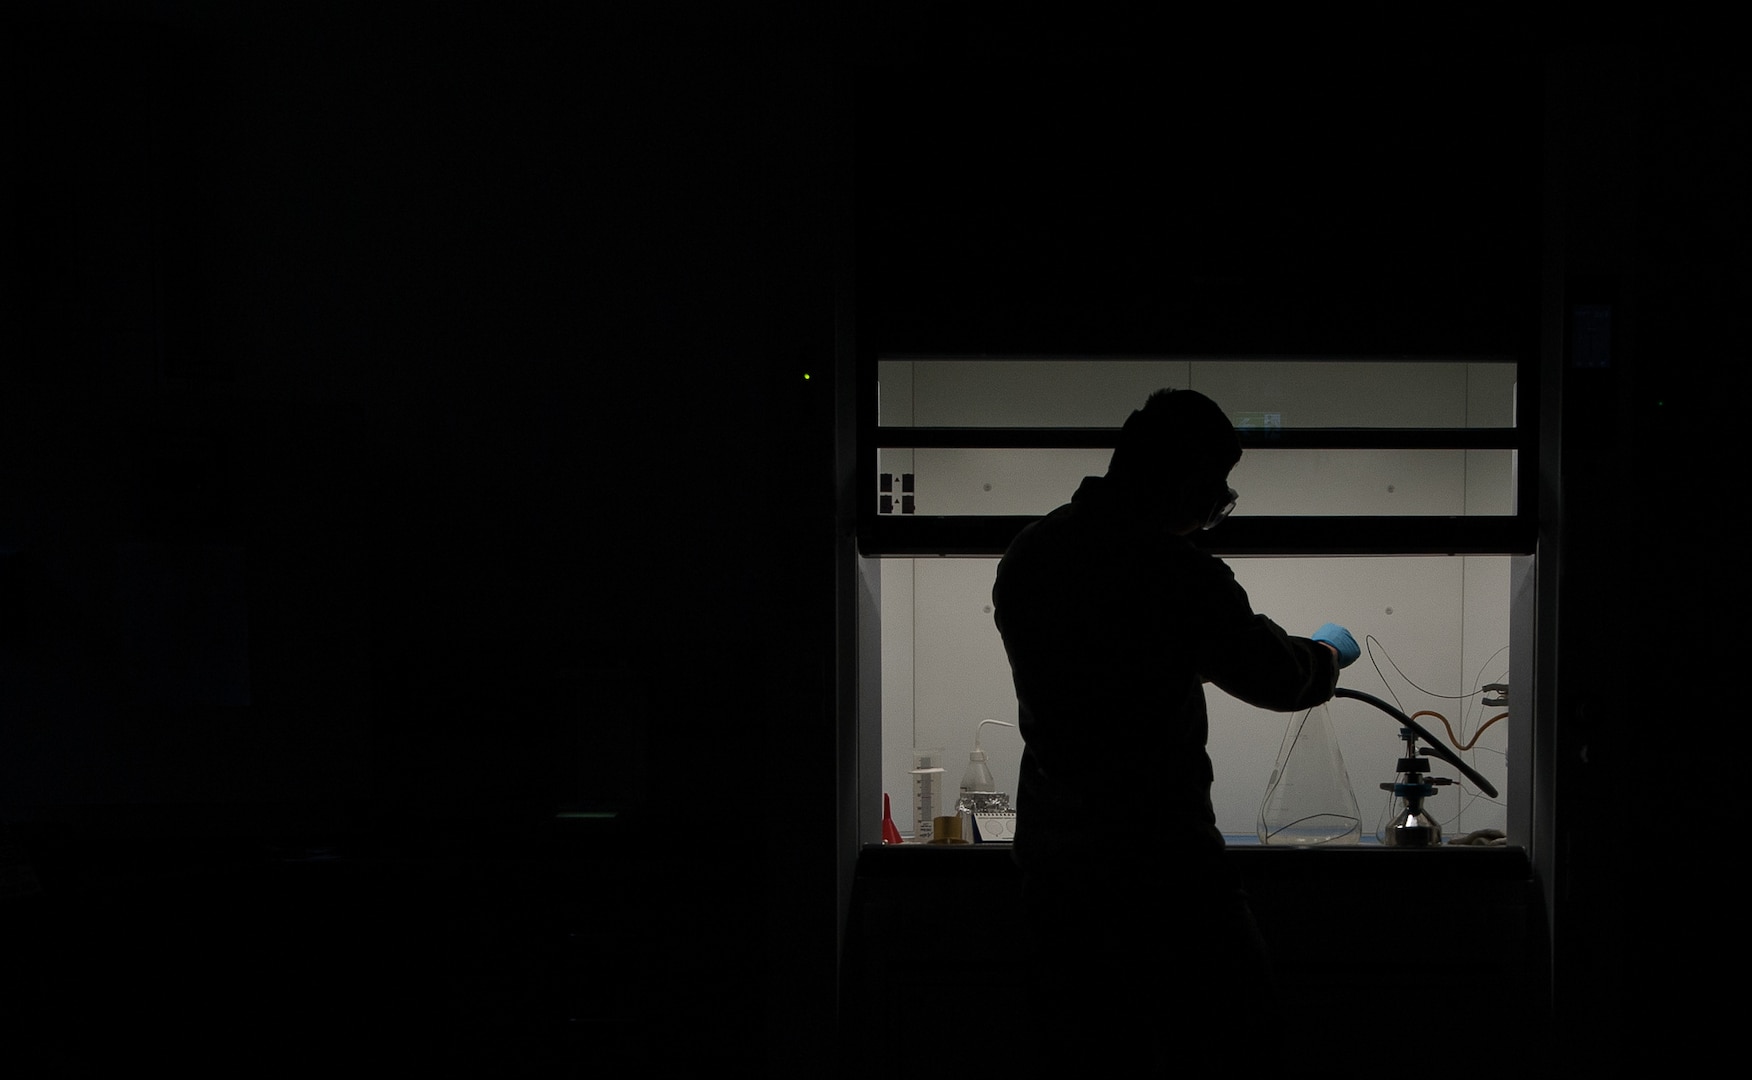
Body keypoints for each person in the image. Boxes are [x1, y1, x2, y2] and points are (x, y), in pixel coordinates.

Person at [991, 387, 1359, 1075]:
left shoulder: (1031, 554)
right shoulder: (1173, 573)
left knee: (1088, 1052)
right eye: (1216, 491)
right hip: (1163, 867)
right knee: (1235, 1040)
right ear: (1183, 479)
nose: (1215, 507)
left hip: (1056, 868)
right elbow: (1275, 676)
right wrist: (1328, 655)